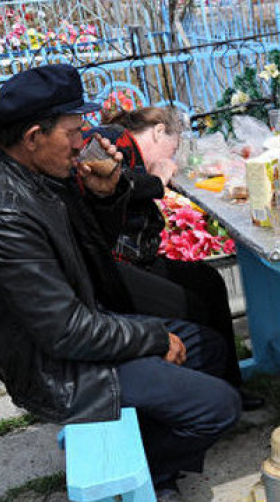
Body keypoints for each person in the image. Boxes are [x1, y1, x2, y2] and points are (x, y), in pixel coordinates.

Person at [0, 64, 240, 502]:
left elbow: (93, 258)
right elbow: (65, 332)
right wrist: (152, 337)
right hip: (58, 367)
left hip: (86, 328)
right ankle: (143, 476)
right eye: (72, 132)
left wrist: (105, 195)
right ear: (32, 137)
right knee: (219, 408)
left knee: (207, 347)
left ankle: (155, 460)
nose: (81, 143)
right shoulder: (10, 215)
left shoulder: (42, 178)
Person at [84, 107, 263, 411]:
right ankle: (200, 395)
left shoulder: (131, 152)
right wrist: (157, 179)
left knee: (209, 281)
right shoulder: (114, 139)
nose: (173, 156)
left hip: (134, 259)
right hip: (108, 267)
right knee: (188, 305)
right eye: (174, 146)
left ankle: (229, 384)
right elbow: (112, 180)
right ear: (157, 131)